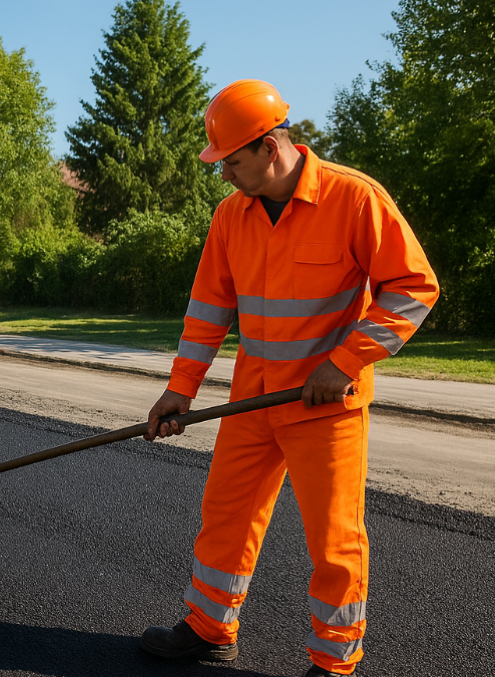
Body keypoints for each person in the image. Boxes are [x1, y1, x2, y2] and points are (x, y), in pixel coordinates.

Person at [138, 80, 438, 677]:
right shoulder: (231, 217)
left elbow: (412, 290)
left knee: (334, 542)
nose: (222, 174)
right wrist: (181, 389)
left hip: (325, 406)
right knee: (225, 516)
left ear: (270, 147)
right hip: (252, 398)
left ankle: (333, 661)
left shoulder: (353, 199)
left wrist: (343, 362)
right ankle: (209, 627)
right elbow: (208, 309)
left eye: (230, 161)